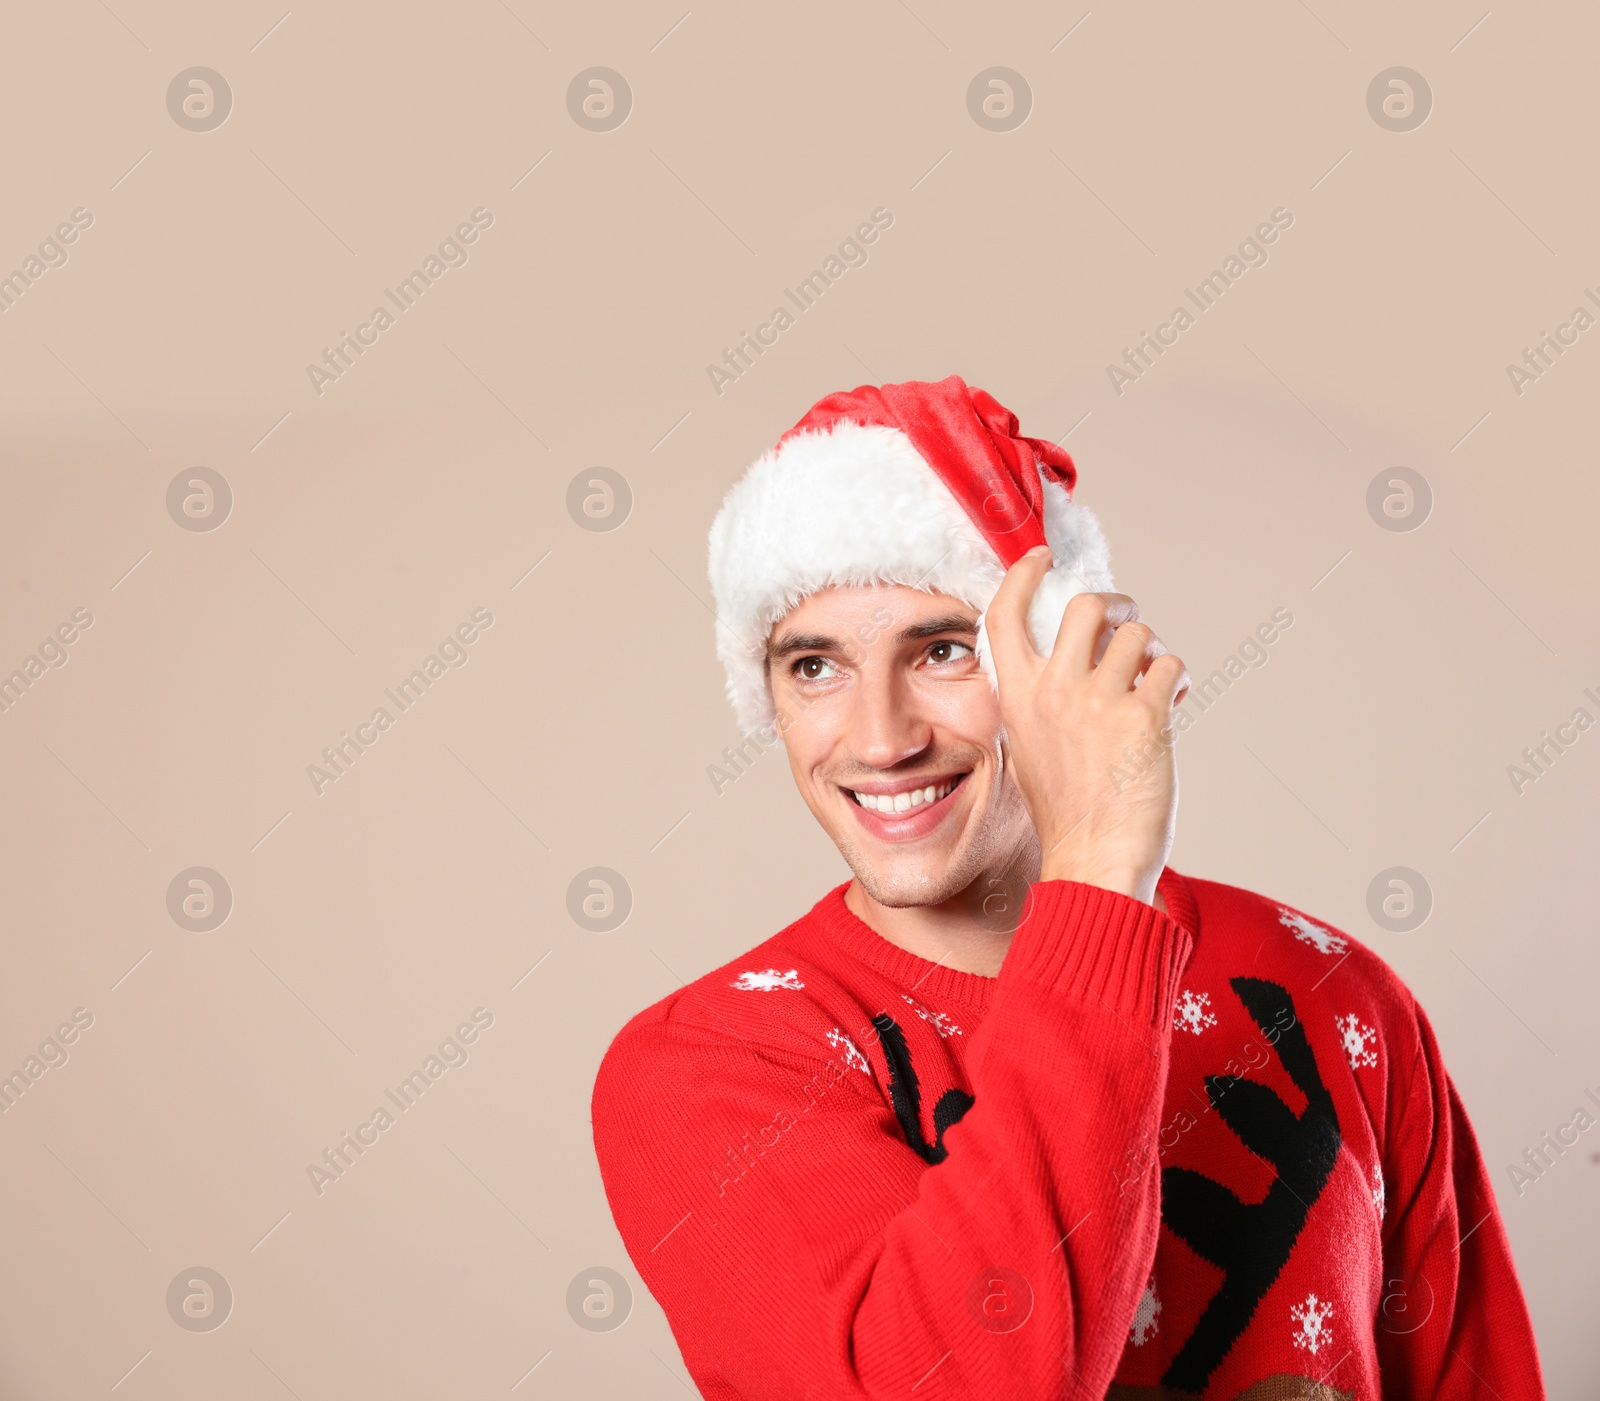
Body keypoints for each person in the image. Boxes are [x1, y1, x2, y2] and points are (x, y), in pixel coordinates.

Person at [590, 376, 1543, 1399]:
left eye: (944, 649)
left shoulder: (1329, 987)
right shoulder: (711, 1065)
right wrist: (1095, 868)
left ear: (1065, 662)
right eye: (813, 668)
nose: (880, 738)